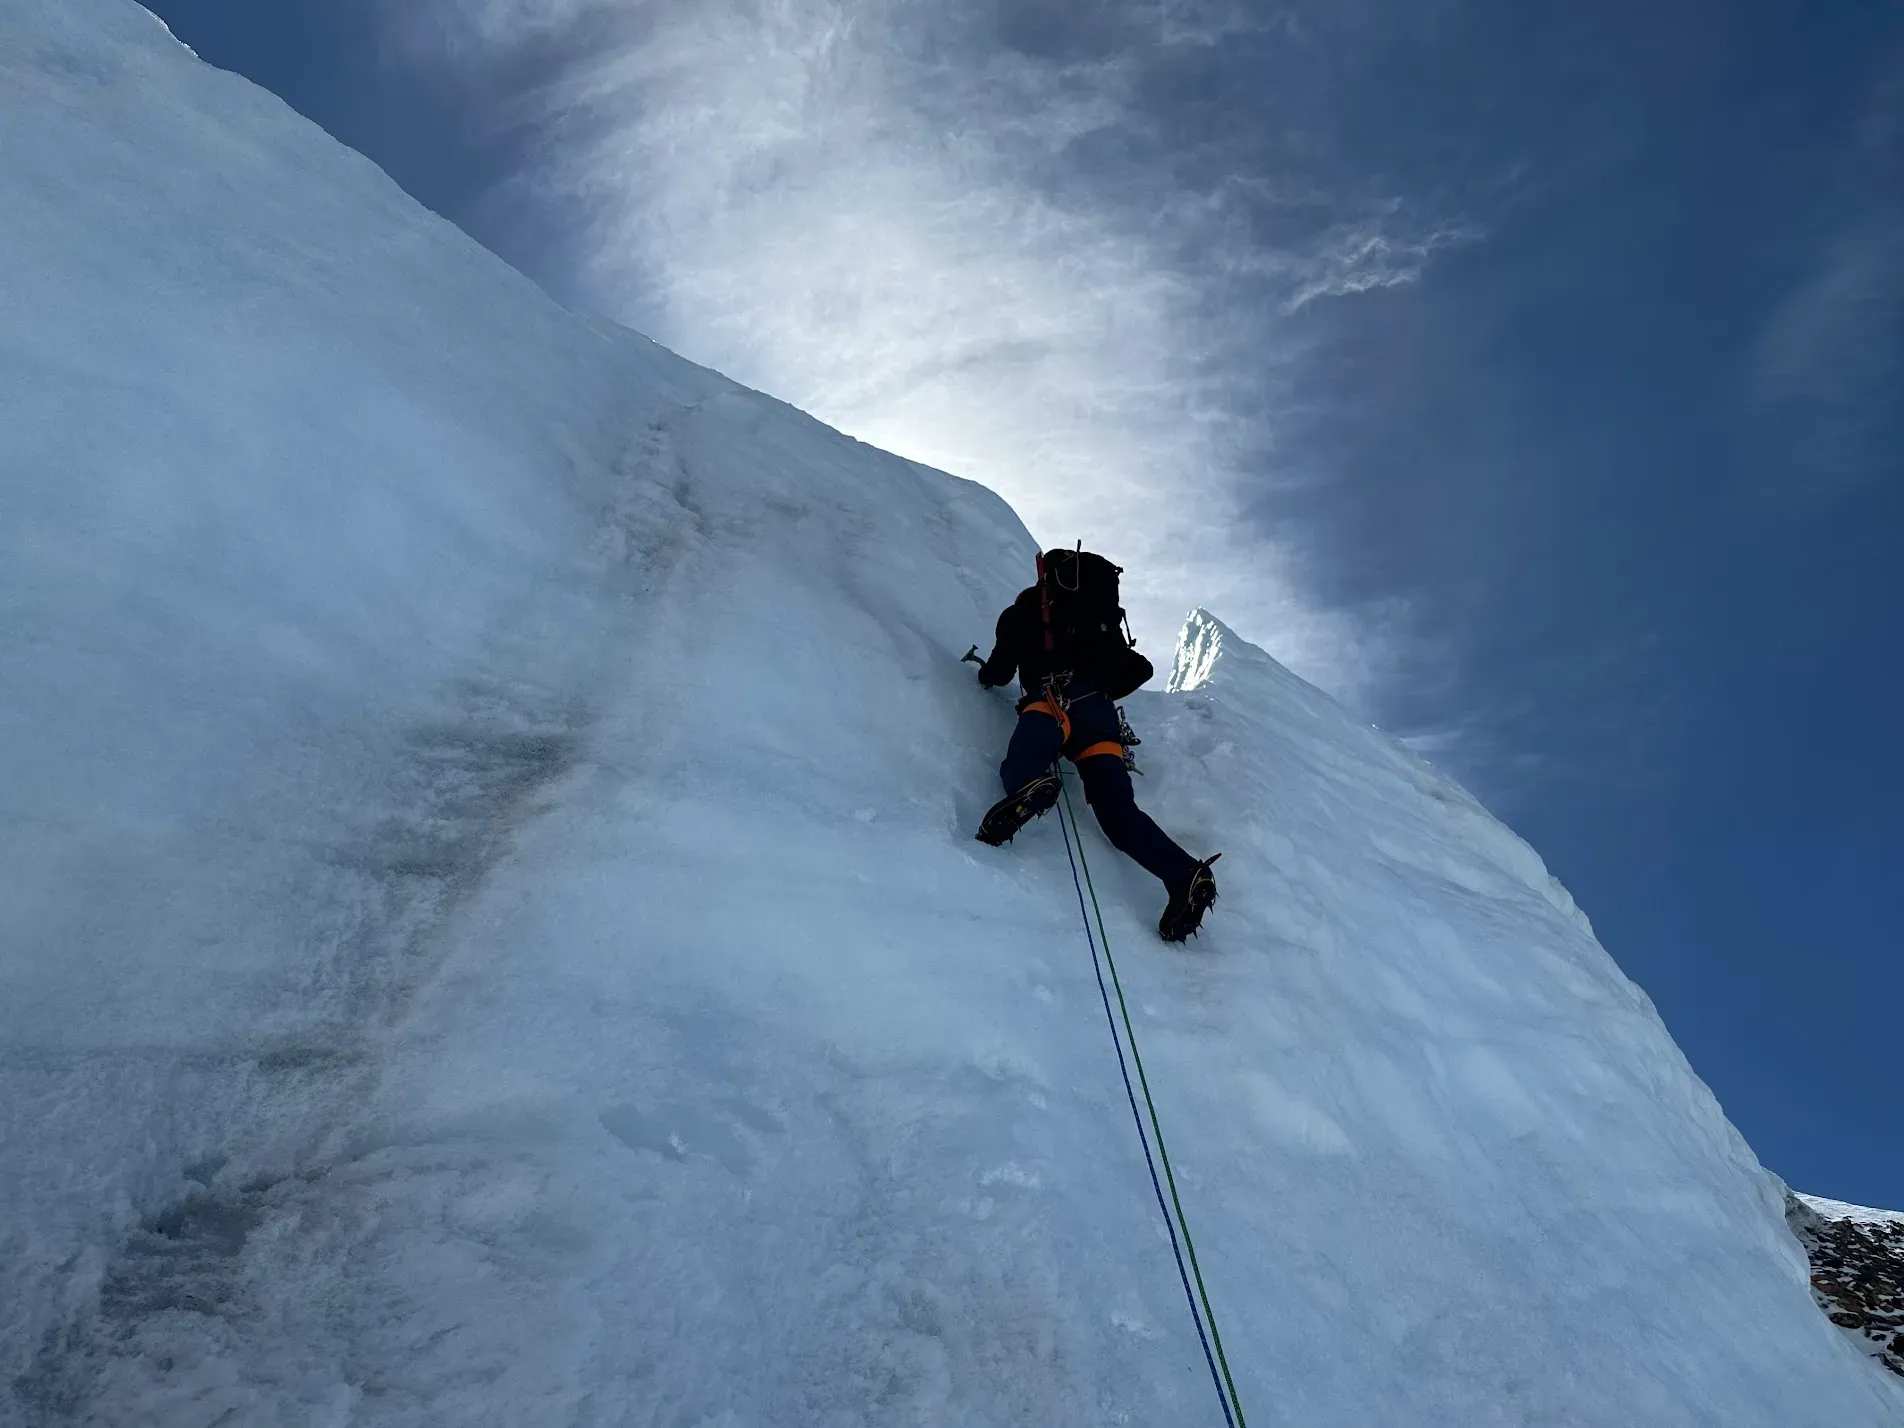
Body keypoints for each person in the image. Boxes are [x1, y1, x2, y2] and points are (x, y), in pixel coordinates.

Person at [974, 548, 1220, 942]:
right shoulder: (1097, 618)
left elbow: (1001, 670)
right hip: (1101, 718)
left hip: (1053, 702)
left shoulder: (1024, 609)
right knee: (1119, 814)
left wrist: (985, 674)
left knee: (1028, 752)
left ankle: (1025, 788)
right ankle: (1185, 873)